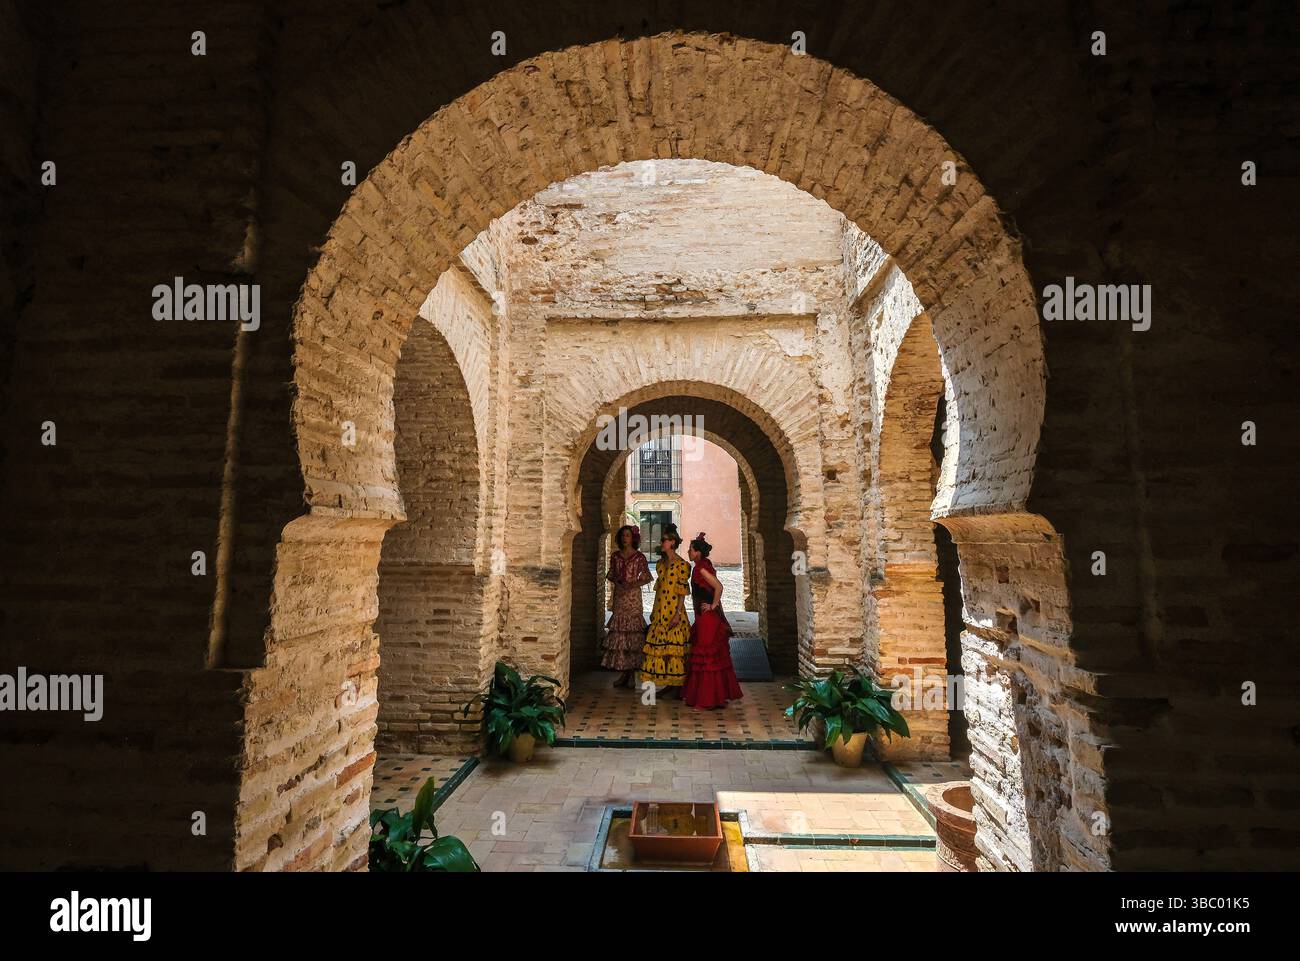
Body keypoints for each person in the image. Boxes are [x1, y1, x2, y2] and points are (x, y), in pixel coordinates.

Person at [682, 532, 743, 709]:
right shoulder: (703, 565)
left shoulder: (701, 568)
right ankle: (713, 696)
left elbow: (719, 586)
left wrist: (713, 605)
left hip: (708, 618)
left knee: (706, 657)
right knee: (711, 657)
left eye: (690, 550)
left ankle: (708, 698)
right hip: (705, 618)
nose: (688, 552)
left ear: (697, 553)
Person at [638, 523, 691, 698]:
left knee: (674, 650)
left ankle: (677, 686)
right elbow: (659, 590)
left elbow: (682, 593)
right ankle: (669, 685)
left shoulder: (682, 565)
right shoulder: (661, 565)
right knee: (661, 650)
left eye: (665, 540)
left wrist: (677, 614)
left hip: (674, 613)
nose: (662, 542)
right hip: (661, 611)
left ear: (673, 542)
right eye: (662, 540)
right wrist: (653, 610)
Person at [602, 524, 652, 688]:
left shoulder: (639, 558)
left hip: (633, 598)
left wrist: (632, 584)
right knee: (620, 635)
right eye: (623, 535)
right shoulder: (615, 556)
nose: (625, 538)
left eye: (628, 535)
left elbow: (647, 577)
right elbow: (610, 574)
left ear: (633, 538)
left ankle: (630, 674)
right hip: (619, 597)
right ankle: (624, 673)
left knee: (632, 635)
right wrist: (618, 582)